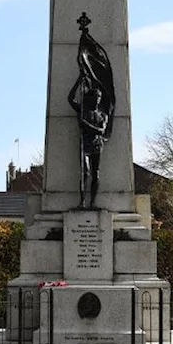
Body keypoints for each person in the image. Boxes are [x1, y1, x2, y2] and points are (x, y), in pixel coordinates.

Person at [67, 12, 115, 209]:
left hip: (95, 145)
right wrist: (79, 80)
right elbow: (70, 99)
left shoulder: (101, 115)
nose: (95, 100)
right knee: (84, 173)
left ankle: (94, 202)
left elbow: (101, 130)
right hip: (84, 144)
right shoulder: (83, 109)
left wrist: (83, 123)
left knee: (94, 173)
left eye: (97, 98)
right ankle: (82, 202)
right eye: (93, 97)